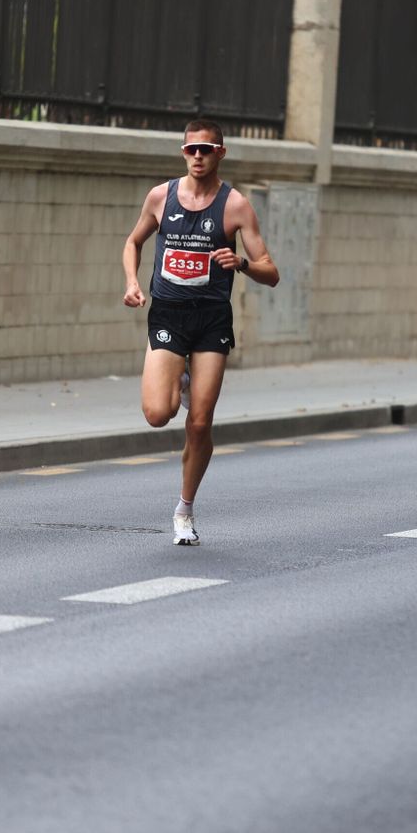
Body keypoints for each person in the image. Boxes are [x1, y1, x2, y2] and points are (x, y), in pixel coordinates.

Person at [122, 119, 279, 545]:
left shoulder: (236, 206)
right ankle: (181, 377)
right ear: (183, 152)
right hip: (169, 316)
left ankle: (184, 510)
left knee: (200, 422)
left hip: (211, 318)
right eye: (191, 149)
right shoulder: (161, 196)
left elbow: (271, 271)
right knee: (157, 414)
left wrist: (242, 264)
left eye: (206, 149)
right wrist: (133, 283)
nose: (197, 156)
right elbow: (133, 242)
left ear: (220, 153)